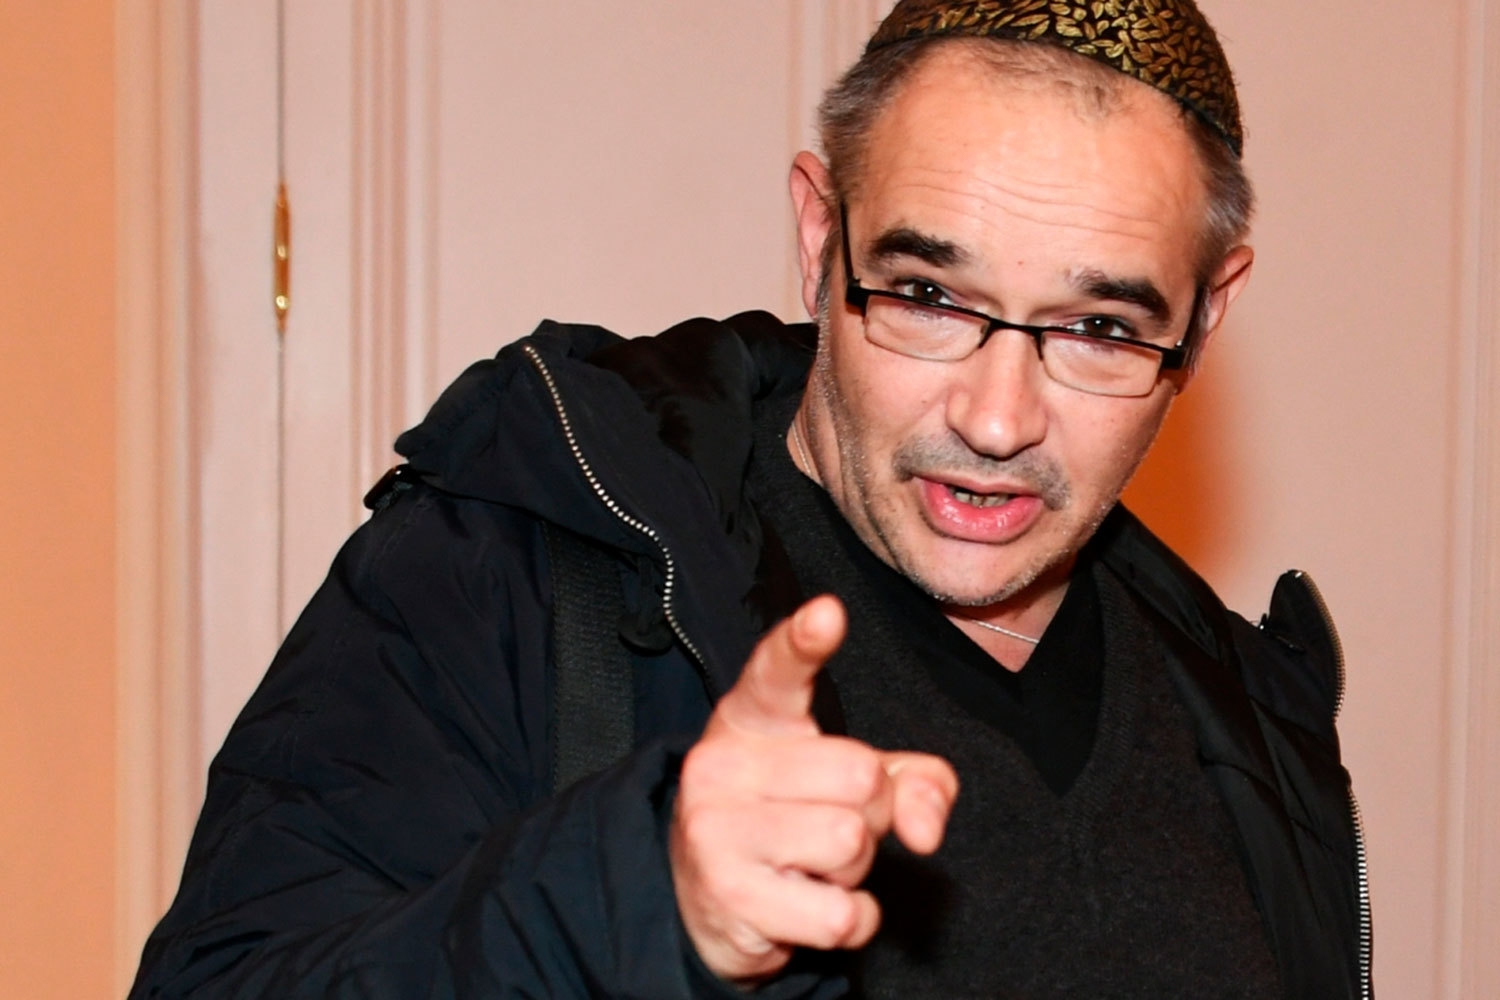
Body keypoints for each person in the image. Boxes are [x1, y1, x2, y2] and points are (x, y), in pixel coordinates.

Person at [130, 1, 1371, 997]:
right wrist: (631, 898)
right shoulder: (513, 570)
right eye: (928, 296)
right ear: (820, 235)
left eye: (1099, 326)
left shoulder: (1248, 714)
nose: (998, 421)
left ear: (1207, 314)